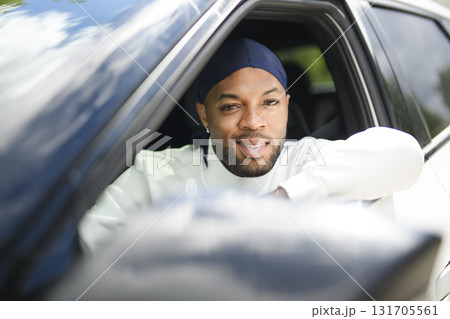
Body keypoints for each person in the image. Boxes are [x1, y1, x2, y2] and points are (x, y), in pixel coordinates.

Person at [79, 38, 424, 254]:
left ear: (288, 105)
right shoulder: (157, 172)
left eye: (270, 103)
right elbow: (91, 242)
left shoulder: (309, 159)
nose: (254, 122)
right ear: (203, 114)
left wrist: (283, 200)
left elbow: (405, 153)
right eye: (231, 107)